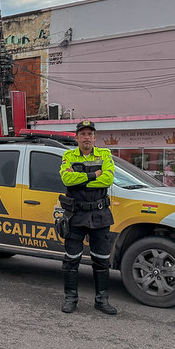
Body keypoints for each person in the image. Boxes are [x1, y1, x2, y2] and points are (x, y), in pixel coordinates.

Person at [59, 120, 117, 315]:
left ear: (95, 137)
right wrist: (94, 175)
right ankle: (71, 299)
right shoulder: (68, 156)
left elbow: (108, 179)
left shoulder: (105, 154)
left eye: (89, 134)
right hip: (76, 215)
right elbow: (67, 179)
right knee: (71, 259)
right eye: (82, 134)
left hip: (100, 215)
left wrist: (80, 177)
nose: (86, 137)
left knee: (101, 260)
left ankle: (102, 301)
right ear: (76, 137)